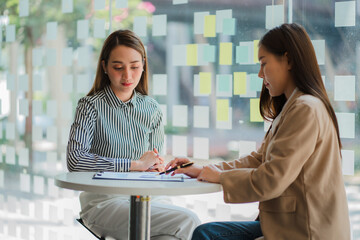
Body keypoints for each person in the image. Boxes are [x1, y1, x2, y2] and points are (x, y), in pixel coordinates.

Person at [166, 23, 351, 240]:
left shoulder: (305, 108)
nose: (260, 74)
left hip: (306, 232)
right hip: (289, 225)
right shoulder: (296, 106)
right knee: (208, 233)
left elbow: (271, 180)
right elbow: (259, 159)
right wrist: (206, 169)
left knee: (207, 235)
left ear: (289, 60)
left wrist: (220, 176)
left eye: (264, 64)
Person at [67, 29, 200, 240]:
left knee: (169, 237)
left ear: (144, 65)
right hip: (104, 201)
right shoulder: (90, 106)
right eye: (118, 67)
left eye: (135, 67)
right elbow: (75, 161)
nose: (127, 76)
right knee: (188, 221)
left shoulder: (152, 108)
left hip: (148, 197)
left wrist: (158, 166)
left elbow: (156, 164)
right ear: (105, 67)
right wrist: (134, 164)